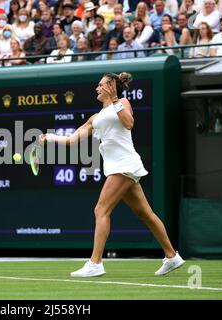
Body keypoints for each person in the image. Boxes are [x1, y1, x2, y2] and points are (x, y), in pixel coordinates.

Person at [40, 72, 185, 277]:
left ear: (111, 86)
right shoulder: (95, 118)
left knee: (101, 210)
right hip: (119, 167)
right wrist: (49, 137)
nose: (96, 88)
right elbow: (72, 140)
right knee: (146, 214)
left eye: (100, 85)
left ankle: (95, 263)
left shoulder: (123, 102)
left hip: (124, 165)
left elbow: (129, 123)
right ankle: (172, 256)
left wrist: (116, 100)